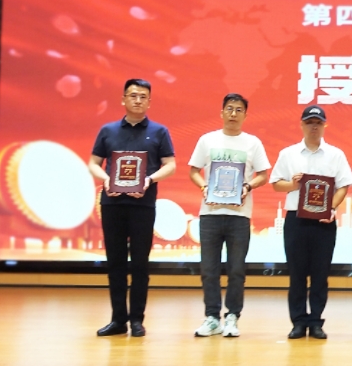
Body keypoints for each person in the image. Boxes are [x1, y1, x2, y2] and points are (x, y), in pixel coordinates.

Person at [88, 79, 176, 337]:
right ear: (123, 99)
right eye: (133, 95)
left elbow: (170, 165)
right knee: (115, 263)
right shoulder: (108, 130)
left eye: (143, 96)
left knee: (140, 264)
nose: (138, 100)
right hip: (113, 204)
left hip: (143, 205)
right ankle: (118, 320)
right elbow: (93, 163)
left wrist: (149, 179)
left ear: (149, 101)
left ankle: (137, 320)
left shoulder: (159, 131)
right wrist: (106, 179)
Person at [188, 93, 271, 338]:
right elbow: (193, 171)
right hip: (210, 214)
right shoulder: (207, 140)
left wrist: (247, 186)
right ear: (222, 112)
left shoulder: (252, 143)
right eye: (229, 109)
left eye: (239, 110)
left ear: (245, 115)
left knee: (236, 270)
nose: (233, 114)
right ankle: (212, 317)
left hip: (239, 216)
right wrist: (205, 187)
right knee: (209, 270)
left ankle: (233, 316)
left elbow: (263, 175)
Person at [270, 105, 352, 340]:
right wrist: (292, 185)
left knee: (320, 274)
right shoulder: (288, 154)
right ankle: (298, 322)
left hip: (324, 222)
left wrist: (331, 208)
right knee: (296, 274)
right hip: (296, 220)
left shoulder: (335, 154)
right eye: (309, 122)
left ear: (325, 125)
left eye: (318, 123)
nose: (314, 127)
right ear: (301, 125)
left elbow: (343, 186)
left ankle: (316, 321)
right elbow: (276, 184)